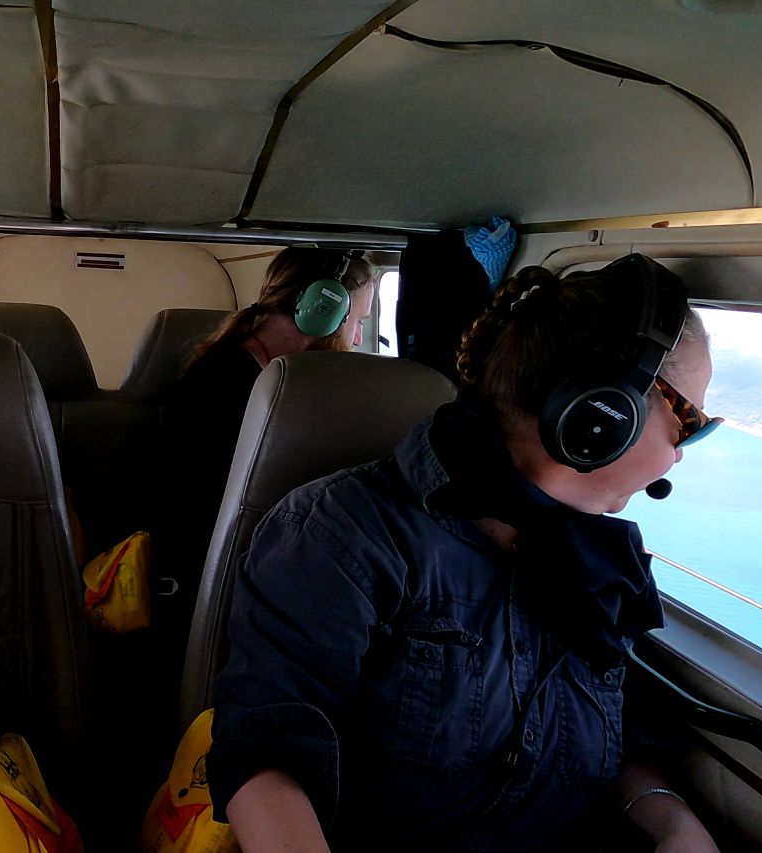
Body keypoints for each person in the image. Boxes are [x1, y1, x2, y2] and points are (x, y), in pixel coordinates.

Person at [209, 255, 722, 851]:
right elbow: (268, 763)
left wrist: (671, 819)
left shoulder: (601, 567)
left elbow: (611, 741)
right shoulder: (340, 534)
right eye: (688, 421)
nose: (680, 456)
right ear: (604, 413)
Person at [156, 248, 376, 635]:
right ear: (320, 310)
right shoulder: (220, 386)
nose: (358, 337)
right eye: (355, 320)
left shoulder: (281, 380)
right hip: (204, 584)